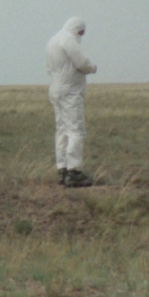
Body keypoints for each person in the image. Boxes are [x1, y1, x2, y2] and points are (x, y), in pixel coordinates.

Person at [46, 17, 98, 187]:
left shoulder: (53, 40)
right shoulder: (69, 40)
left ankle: (62, 168)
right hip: (70, 92)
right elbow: (82, 62)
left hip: (56, 88)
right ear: (79, 30)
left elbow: (49, 68)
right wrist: (92, 68)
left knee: (61, 129)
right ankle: (74, 171)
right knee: (76, 131)